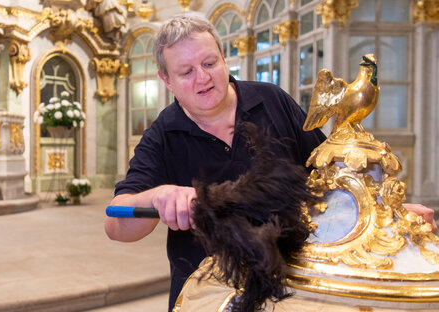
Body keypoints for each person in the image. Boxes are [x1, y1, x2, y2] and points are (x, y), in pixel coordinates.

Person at [105, 13, 436, 312]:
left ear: (224, 60)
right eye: (186, 71)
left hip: (295, 288)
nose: (203, 78)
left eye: (209, 63)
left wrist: (385, 216)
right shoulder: (164, 133)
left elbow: (332, 180)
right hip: (208, 296)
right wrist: (156, 196)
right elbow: (116, 224)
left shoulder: (272, 100)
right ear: (167, 81)